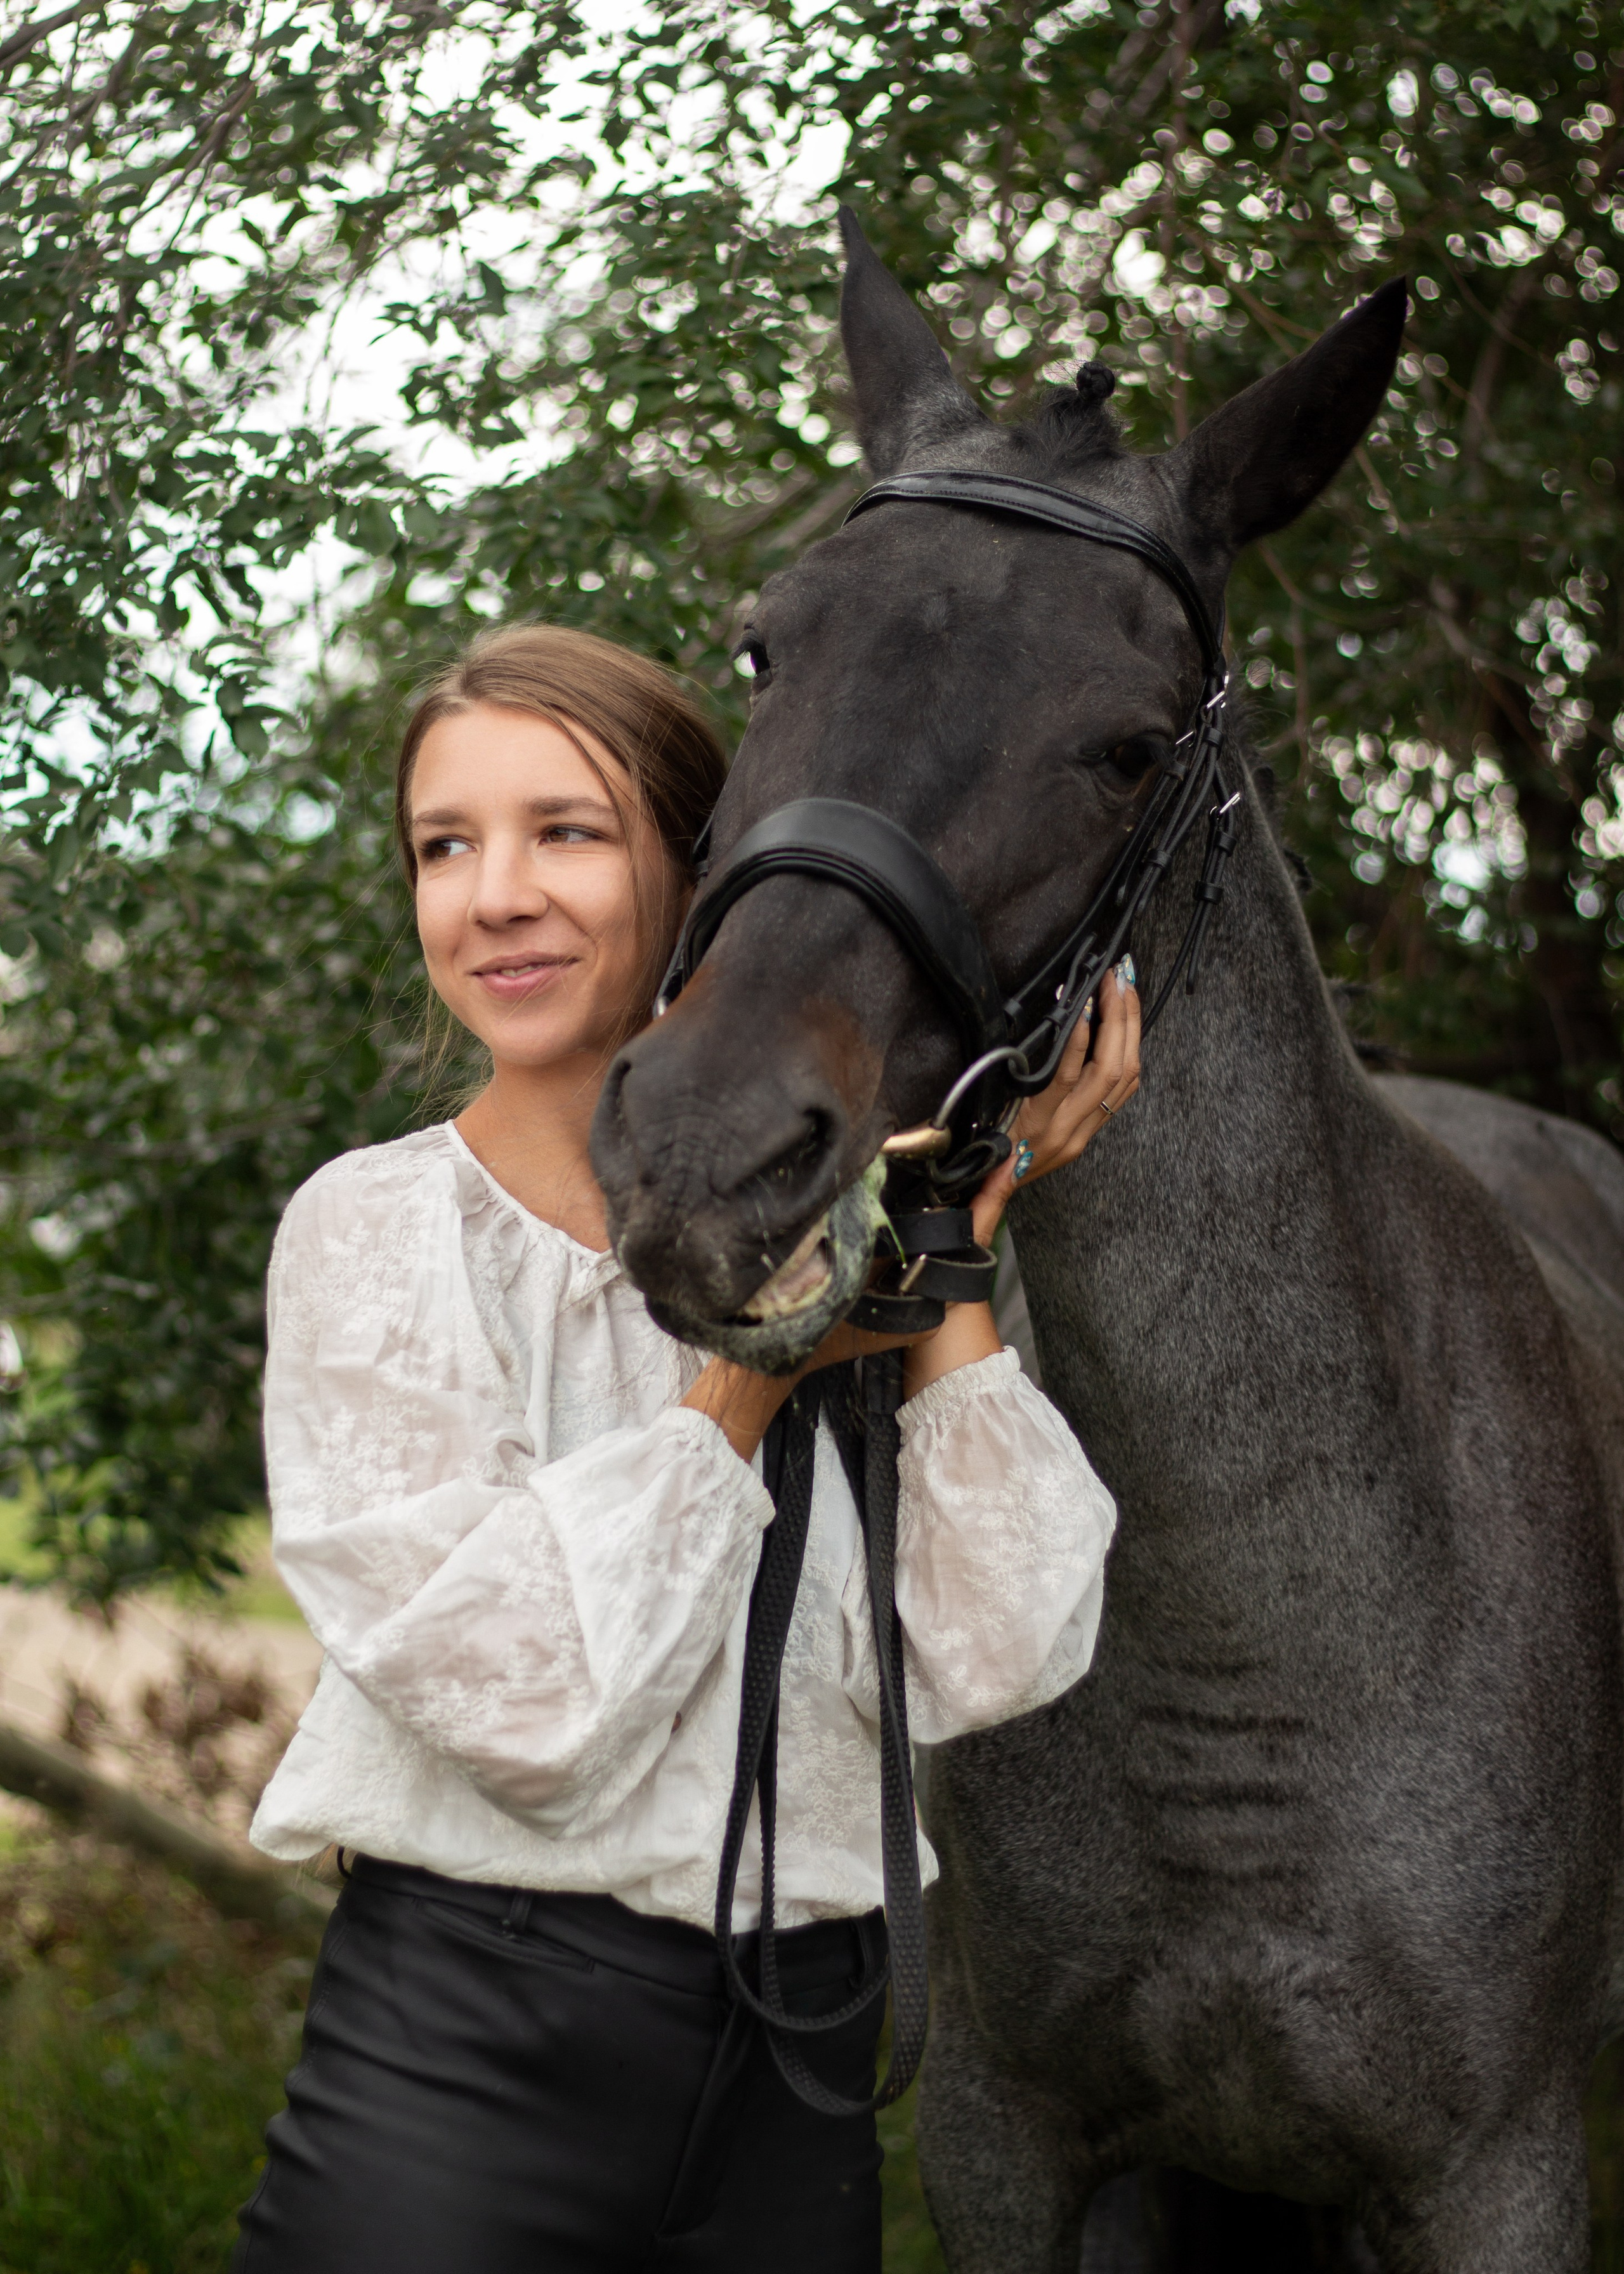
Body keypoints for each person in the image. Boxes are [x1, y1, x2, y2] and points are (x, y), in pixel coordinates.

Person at [234, 622, 1140, 2274]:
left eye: (563, 832)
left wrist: (935, 1250)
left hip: (797, 2081)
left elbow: (990, 1653)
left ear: (704, 872)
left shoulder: (850, 1230)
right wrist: (756, 1370)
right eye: (446, 845)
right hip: (462, 2065)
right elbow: (529, 1708)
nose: (493, 893)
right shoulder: (375, 1233)